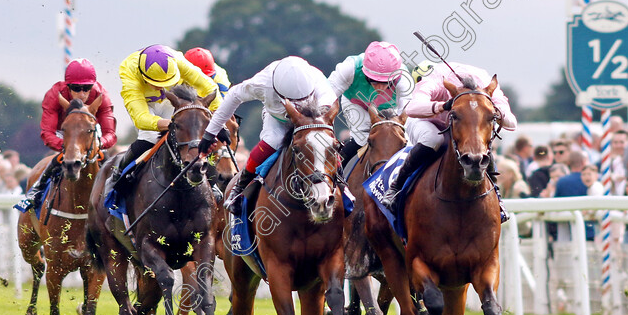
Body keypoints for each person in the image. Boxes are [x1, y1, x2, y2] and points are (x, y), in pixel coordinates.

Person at [197, 55, 338, 215]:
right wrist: (210, 133)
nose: (298, 106)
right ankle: (239, 188)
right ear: (277, 91)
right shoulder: (262, 83)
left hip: (312, 117)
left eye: (303, 99)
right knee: (273, 140)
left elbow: (330, 113)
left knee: (322, 141)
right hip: (277, 117)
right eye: (293, 101)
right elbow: (233, 96)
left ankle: (341, 182)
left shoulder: (318, 81)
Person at [380, 61, 517, 217]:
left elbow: (512, 123)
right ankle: (395, 188)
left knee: (480, 144)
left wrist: (491, 111)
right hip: (425, 120)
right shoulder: (437, 80)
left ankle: (496, 197)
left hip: (460, 125)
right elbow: (411, 108)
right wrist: (443, 106)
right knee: (434, 139)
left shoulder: (487, 83)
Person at [106, 45, 222, 194]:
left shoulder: (179, 61)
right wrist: (170, 124)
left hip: (171, 100)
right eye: (156, 84)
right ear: (143, 75)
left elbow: (210, 88)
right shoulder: (129, 71)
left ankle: (211, 183)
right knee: (150, 137)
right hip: (146, 104)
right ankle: (118, 174)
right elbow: (141, 118)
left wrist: (215, 118)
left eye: (167, 82)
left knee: (192, 135)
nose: (161, 88)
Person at [22, 58, 117, 209]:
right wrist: (69, 146)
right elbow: (47, 133)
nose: (82, 93)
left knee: (108, 160)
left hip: (89, 131)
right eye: (76, 88)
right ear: (68, 86)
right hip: (64, 132)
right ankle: (37, 190)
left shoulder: (101, 95)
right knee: (60, 158)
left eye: (87, 88)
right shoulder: (55, 94)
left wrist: (100, 143)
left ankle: (117, 194)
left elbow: (110, 134)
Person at [327, 41, 414, 169]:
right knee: (363, 139)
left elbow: (407, 115)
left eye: (386, 83)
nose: (379, 87)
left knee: (400, 139)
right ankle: (335, 170)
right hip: (356, 104)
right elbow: (326, 97)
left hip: (390, 109)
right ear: (365, 72)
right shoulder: (350, 67)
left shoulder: (404, 79)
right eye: (373, 80)